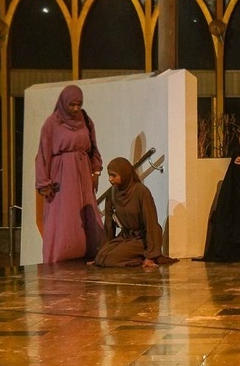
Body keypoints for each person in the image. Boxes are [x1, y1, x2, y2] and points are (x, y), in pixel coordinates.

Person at [35, 85, 104, 263]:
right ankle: (63, 254)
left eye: (78, 104)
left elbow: (93, 148)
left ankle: (88, 251)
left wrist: (95, 171)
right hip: (62, 174)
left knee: (87, 212)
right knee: (66, 213)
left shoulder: (86, 120)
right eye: (72, 104)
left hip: (83, 172)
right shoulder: (52, 123)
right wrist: (44, 183)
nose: (75, 108)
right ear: (64, 103)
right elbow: (43, 154)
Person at [92, 158, 168, 269]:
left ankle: (143, 256)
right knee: (101, 257)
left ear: (124, 174)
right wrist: (105, 246)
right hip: (126, 236)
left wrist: (150, 255)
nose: (110, 179)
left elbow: (151, 223)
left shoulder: (141, 191)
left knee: (111, 258)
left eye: (114, 175)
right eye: (109, 175)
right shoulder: (113, 192)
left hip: (143, 238)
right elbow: (109, 224)